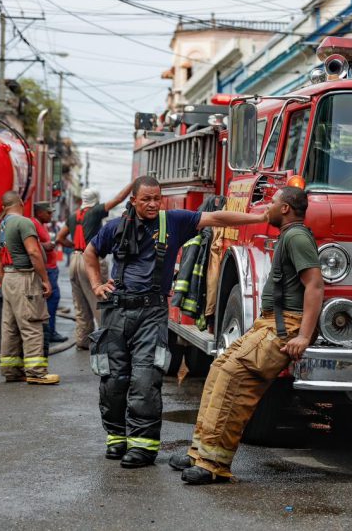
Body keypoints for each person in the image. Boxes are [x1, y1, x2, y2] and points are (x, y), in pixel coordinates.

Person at [84, 176, 267, 468]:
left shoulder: (175, 222)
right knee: (112, 380)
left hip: (151, 313)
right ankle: (117, 437)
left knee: (145, 379)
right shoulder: (115, 228)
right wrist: (96, 285)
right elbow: (90, 253)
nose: (154, 204)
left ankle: (143, 447)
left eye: (157, 198)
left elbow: (217, 216)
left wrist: (260, 216)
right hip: (116, 312)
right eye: (147, 199)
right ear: (134, 201)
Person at [170, 186, 324, 484]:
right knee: (220, 368)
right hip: (271, 323)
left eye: (274, 203)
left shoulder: (296, 237)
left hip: (285, 326)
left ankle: (214, 463)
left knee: (235, 379)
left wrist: (303, 336)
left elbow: (315, 285)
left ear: (285, 209)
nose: (268, 208)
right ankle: (199, 452)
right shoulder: (289, 235)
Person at [0, 191, 60, 385]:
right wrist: (45, 279)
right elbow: (33, 252)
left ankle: (12, 371)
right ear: (21, 202)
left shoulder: (1, 227)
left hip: (8, 278)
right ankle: (36, 372)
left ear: (3, 207)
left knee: (10, 326)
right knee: (32, 323)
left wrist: (6, 281)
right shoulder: (23, 223)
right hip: (24, 277)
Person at [56, 185, 132, 352]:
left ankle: (83, 340)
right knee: (100, 300)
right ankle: (107, 341)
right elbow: (118, 199)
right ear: (95, 199)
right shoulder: (95, 211)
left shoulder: (73, 216)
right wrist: (134, 183)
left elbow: (60, 237)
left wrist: (75, 247)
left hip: (75, 260)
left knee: (80, 303)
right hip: (90, 259)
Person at [31, 202, 67, 343]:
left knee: (52, 299)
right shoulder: (33, 224)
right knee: (52, 298)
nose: (51, 215)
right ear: (40, 213)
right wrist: (43, 246)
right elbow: (30, 244)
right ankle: (49, 332)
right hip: (47, 269)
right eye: (48, 213)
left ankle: (48, 330)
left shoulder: (42, 225)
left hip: (51, 268)